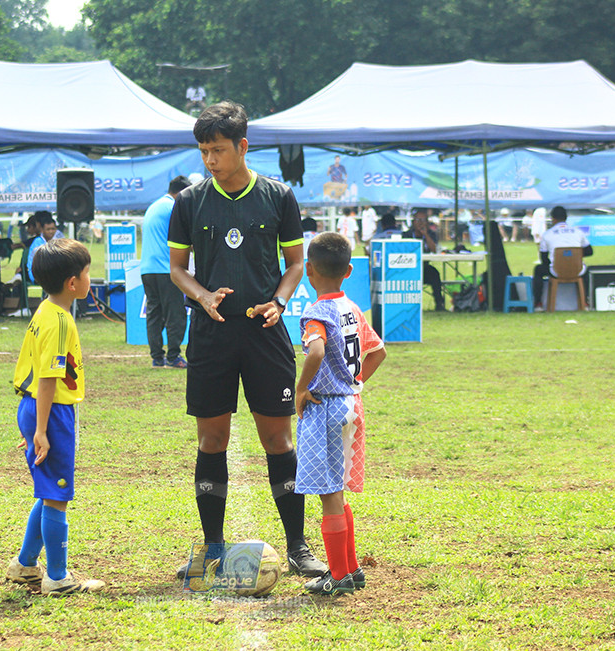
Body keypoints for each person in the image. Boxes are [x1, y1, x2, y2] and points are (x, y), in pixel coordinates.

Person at [168, 101, 326, 579]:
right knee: (211, 438)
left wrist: (279, 300)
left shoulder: (279, 196)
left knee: (278, 438)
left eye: (218, 149)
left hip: (264, 333)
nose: (210, 160)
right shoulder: (189, 202)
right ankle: (214, 548)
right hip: (212, 334)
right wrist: (201, 296)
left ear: (242, 146)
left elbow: (296, 263)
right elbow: (178, 269)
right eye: (203, 151)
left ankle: (298, 547)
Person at [6, 238, 106, 596]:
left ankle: (25, 564)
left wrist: (33, 423)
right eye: (87, 272)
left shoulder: (46, 311)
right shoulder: (60, 322)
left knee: (48, 491)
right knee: (57, 495)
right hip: (51, 412)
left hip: (35, 408)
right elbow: (48, 378)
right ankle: (58, 578)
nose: (90, 278)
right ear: (72, 283)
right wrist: (42, 430)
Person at [295, 232, 386, 595]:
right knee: (339, 492)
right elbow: (378, 352)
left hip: (326, 408)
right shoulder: (352, 309)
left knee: (329, 492)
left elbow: (315, 352)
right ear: (348, 270)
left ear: (308, 270)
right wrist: (355, 380)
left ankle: (337, 576)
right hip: (352, 403)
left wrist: (302, 388)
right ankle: (349, 568)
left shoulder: (316, 313)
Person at [141, 175, 192, 368]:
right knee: (176, 314)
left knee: (155, 313)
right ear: (181, 193)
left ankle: (156, 357)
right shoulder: (173, 207)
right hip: (165, 269)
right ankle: (174, 356)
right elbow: (186, 237)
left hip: (147, 269)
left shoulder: (154, 206)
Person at [532, 206, 593, 309]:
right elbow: (589, 251)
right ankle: (586, 302)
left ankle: (538, 304)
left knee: (538, 269)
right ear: (566, 218)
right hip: (577, 270)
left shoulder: (547, 234)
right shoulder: (578, 232)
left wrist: (557, 261)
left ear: (553, 218)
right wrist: (574, 256)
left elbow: (544, 258)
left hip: (556, 271)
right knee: (586, 270)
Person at [402, 209, 446, 311]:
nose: (420, 223)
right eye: (418, 220)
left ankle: (439, 304)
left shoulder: (431, 234)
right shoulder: (406, 235)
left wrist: (425, 235)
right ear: (413, 222)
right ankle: (408, 307)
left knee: (435, 274)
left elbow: (434, 250)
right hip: (409, 268)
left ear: (427, 222)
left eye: (423, 220)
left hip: (424, 267)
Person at [26, 212, 62, 285]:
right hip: (39, 274)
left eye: (53, 229)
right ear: (42, 230)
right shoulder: (37, 242)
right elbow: (33, 264)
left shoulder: (60, 240)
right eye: (48, 229)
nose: (51, 232)